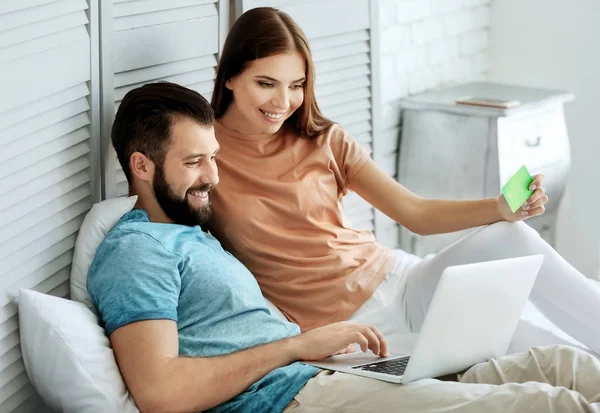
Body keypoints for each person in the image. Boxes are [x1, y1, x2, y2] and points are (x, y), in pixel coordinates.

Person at [89, 80, 600, 413]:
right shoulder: (138, 251)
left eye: (214, 158)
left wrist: (319, 350)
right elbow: (160, 393)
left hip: (325, 372)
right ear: (141, 166)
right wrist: (295, 345)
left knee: (564, 365)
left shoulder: (190, 232)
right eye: (195, 162)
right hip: (291, 398)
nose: (214, 177)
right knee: (547, 403)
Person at [207, 6, 600, 354]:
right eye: (266, 83)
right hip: (351, 328)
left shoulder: (322, 138)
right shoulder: (203, 155)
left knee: (511, 240)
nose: (283, 102)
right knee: (538, 351)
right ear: (229, 77)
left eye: (296, 85)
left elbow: (415, 212)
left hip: (405, 283)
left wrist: (499, 209)